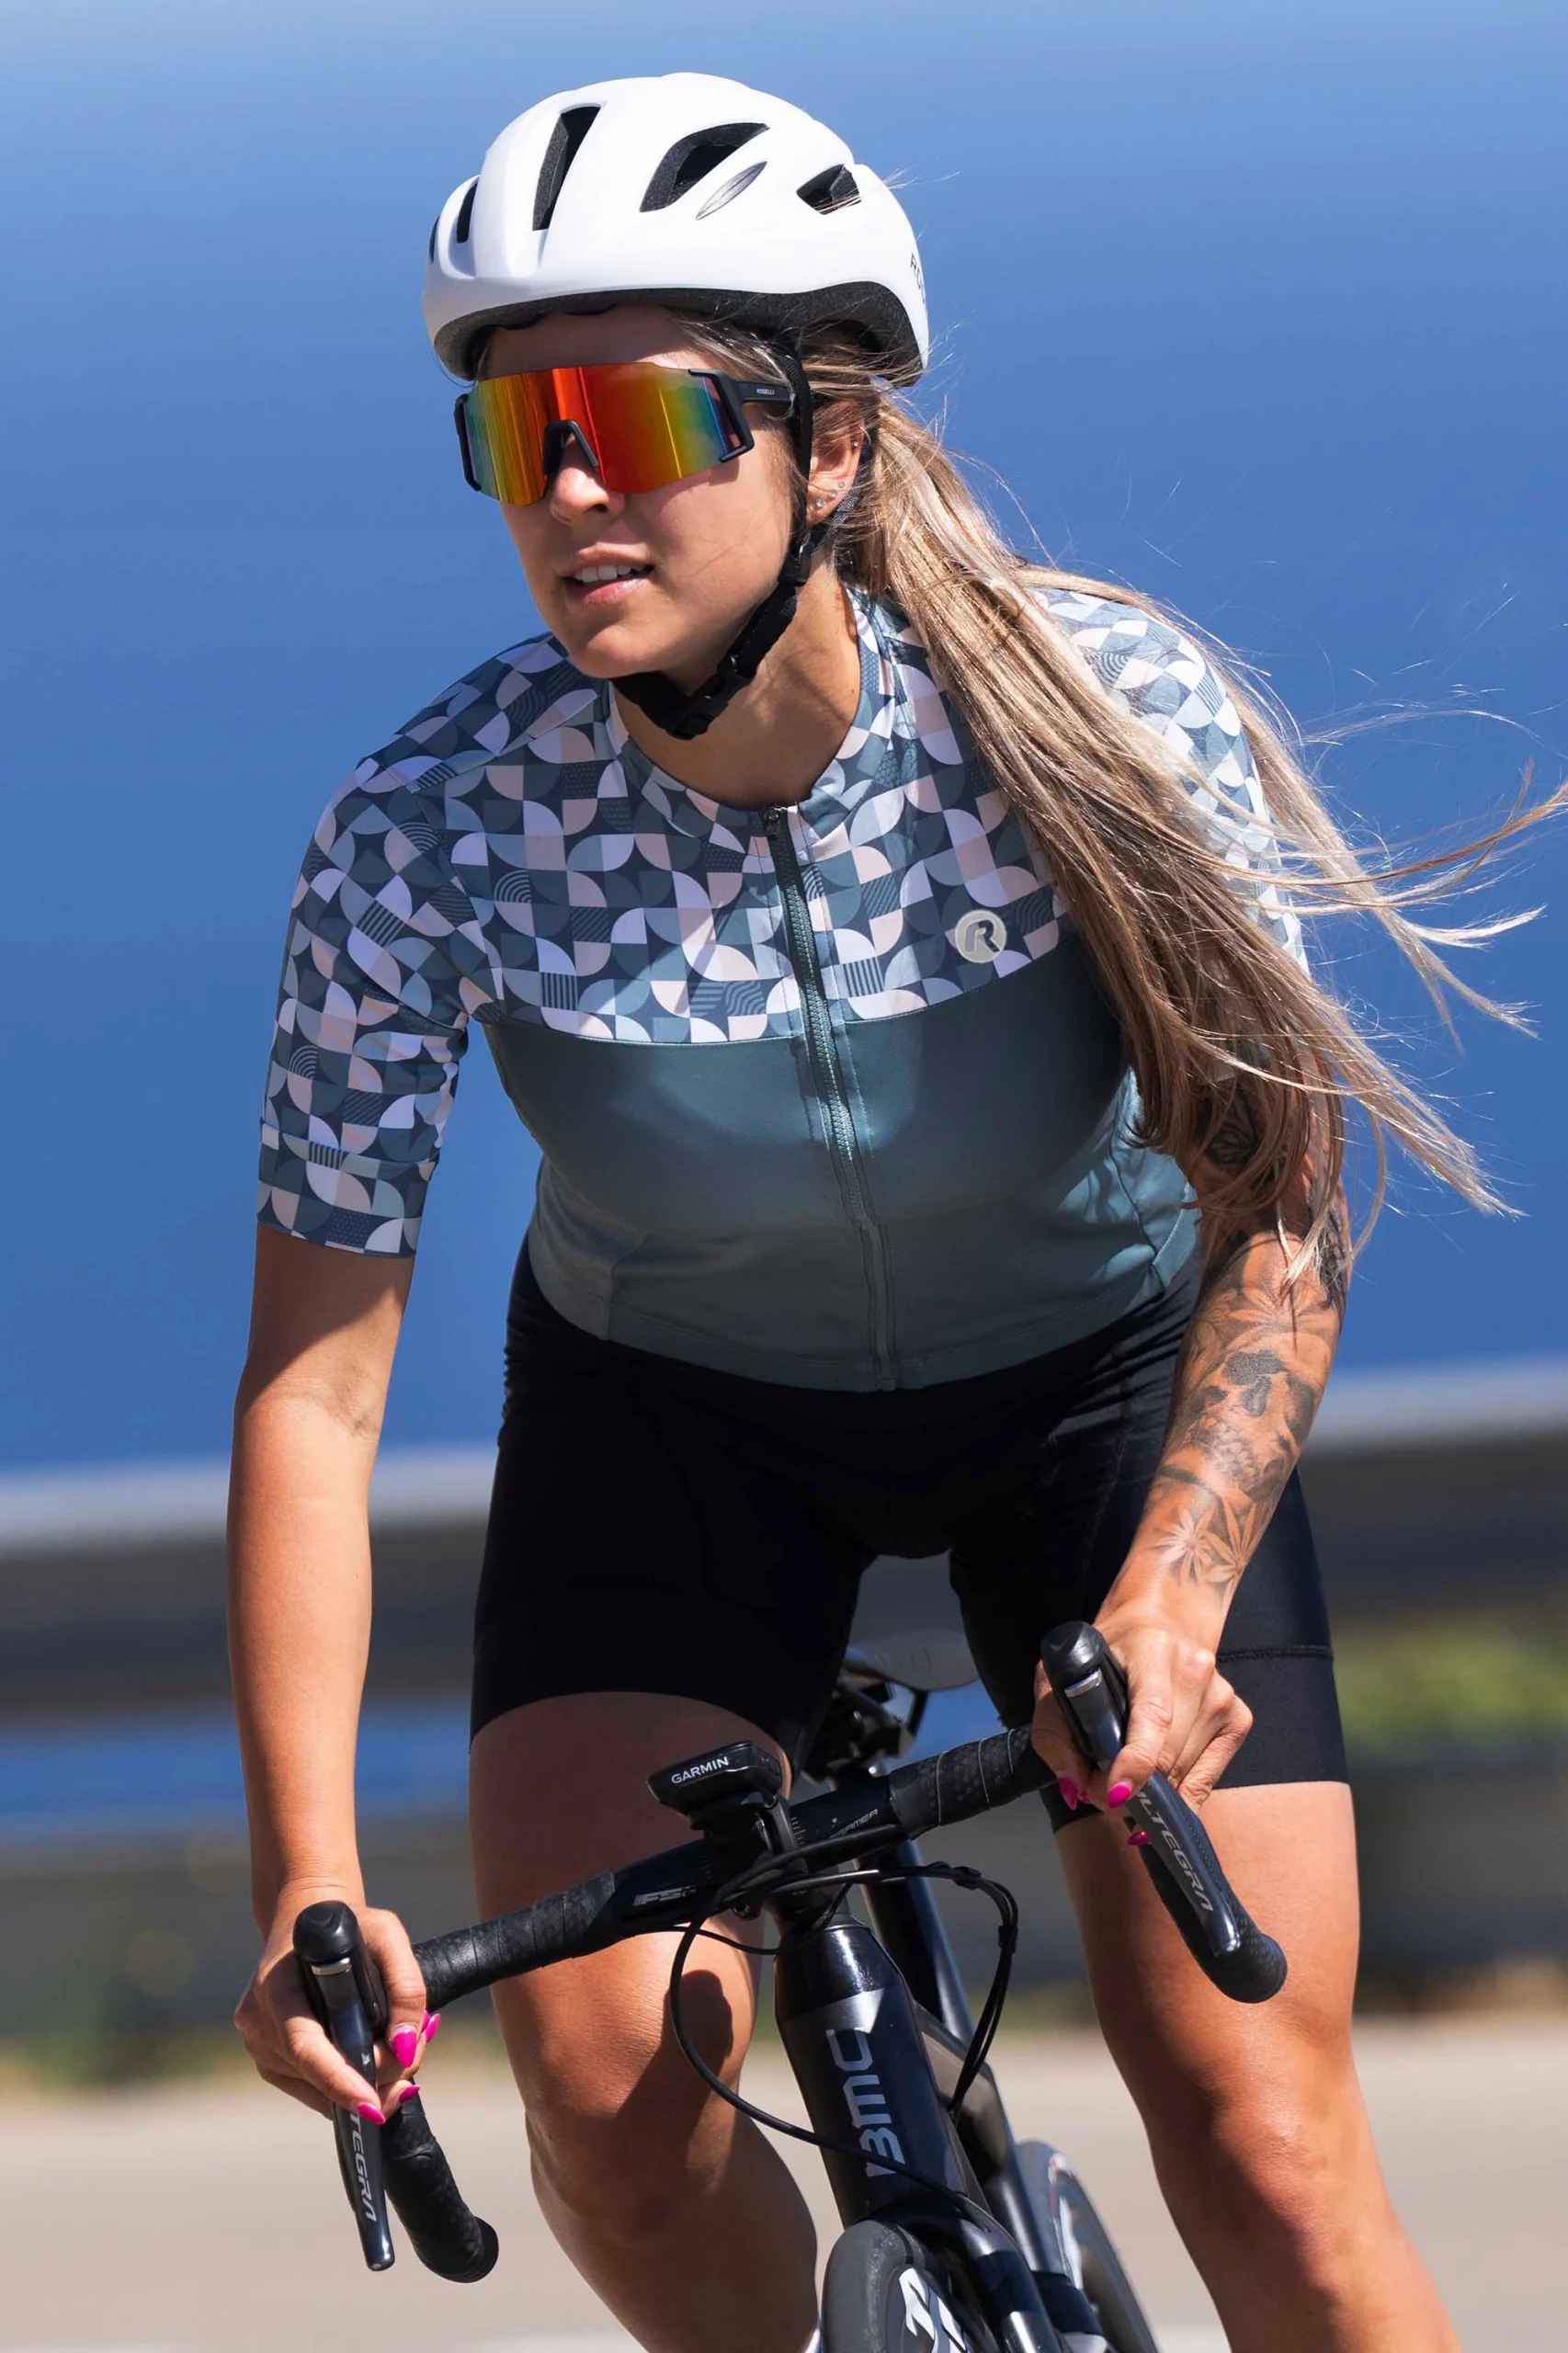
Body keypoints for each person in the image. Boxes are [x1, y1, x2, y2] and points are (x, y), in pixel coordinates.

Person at [233, 72, 1555, 2353]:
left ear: (825, 443)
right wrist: (305, 1881)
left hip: (1100, 1400)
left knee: (1261, 2128)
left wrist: (1171, 1602)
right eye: (520, 429)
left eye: (644, 419)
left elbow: (1278, 1205)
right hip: (678, 1428)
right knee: (610, 2117)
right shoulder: (423, 831)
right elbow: (316, 1398)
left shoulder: (1091, 716)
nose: (570, 488)